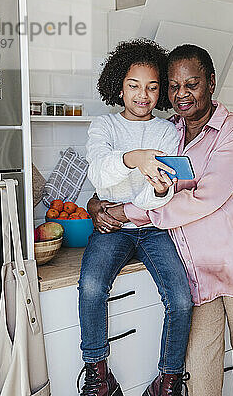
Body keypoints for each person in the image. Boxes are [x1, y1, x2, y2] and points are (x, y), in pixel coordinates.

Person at [88, 44, 233, 396]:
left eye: (191, 84)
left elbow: (204, 197)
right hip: (197, 272)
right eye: (173, 86)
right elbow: (146, 184)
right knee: (200, 376)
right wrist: (98, 200)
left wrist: (124, 212)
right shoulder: (170, 132)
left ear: (211, 83)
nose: (181, 94)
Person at [77, 39, 193, 396]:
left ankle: (168, 381)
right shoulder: (104, 127)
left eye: (152, 87)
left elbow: (159, 193)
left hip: (154, 230)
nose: (143, 95)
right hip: (111, 230)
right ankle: (99, 374)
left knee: (181, 299)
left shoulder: (166, 131)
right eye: (134, 86)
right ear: (119, 86)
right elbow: (99, 174)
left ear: (160, 92)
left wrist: (158, 191)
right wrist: (137, 159)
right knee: (92, 287)